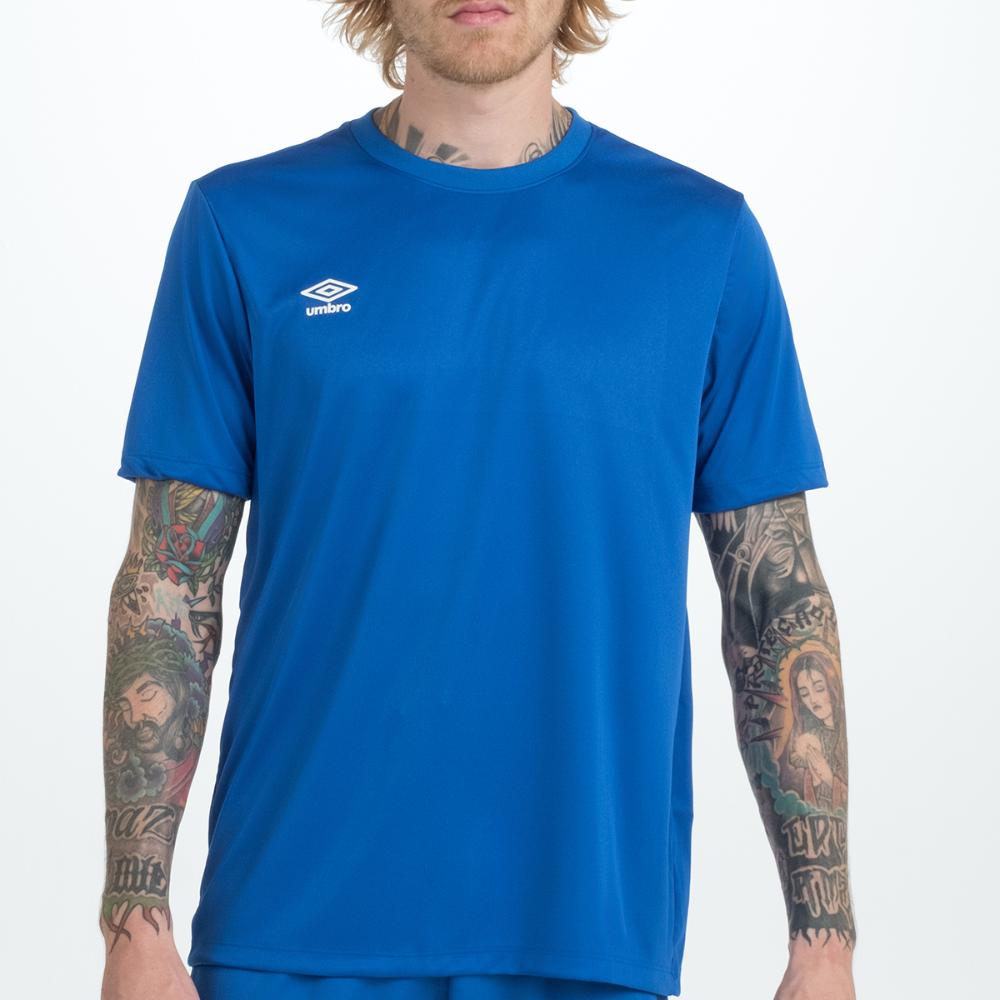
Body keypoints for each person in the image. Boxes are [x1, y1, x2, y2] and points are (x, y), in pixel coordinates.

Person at [99, 2, 858, 998]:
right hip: (290, 926)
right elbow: (169, 584)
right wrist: (134, 920)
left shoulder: (701, 241)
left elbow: (776, 603)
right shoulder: (243, 224)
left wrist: (823, 942)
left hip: (587, 936)